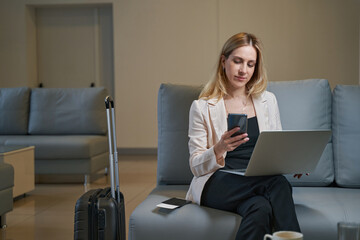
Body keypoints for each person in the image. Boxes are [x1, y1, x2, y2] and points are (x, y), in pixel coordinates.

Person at [185, 32, 301, 239]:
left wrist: (294, 162)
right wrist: (219, 148)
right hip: (218, 181)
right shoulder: (202, 107)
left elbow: (277, 148)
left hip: (256, 179)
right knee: (278, 183)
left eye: (250, 64)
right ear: (224, 61)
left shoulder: (268, 101)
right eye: (237, 61)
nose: (243, 70)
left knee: (260, 208)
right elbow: (195, 166)